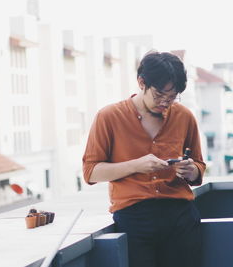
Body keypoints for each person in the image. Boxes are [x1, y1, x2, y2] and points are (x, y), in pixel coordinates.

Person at [82, 51, 206, 267]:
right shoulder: (109, 117)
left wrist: (191, 170)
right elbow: (91, 171)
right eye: (159, 95)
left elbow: (199, 166)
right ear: (141, 83)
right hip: (134, 215)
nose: (165, 103)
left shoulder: (184, 116)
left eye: (172, 97)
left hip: (180, 215)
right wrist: (136, 166)